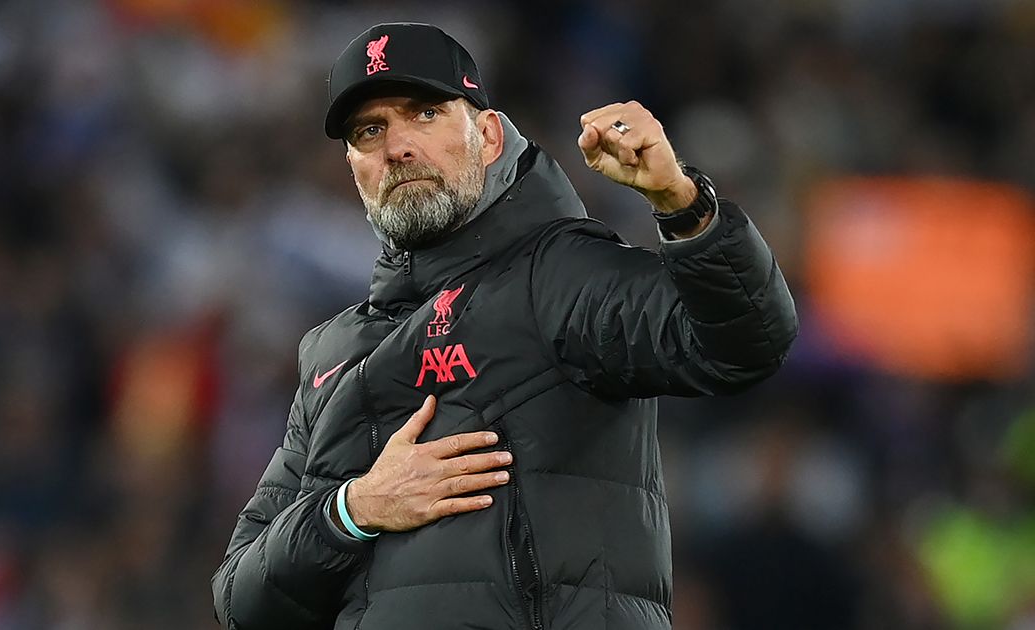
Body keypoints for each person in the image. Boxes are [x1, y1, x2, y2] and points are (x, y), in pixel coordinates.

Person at [212, 22, 798, 630]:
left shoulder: (557, 274)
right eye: (371, 130)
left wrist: (682, 203)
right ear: (353, 165)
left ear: (488, 136)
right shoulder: (331, 353)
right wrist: (354, 509)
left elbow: (743, 343)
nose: (398, 145)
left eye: (426, 113)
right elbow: (242, 604)